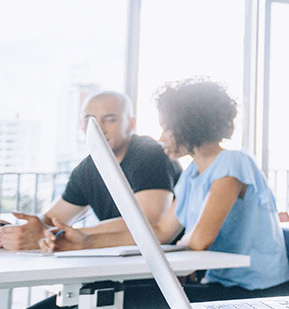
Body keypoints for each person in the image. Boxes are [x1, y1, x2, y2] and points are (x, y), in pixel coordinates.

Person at [43, 78, 289, 309]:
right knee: (109, 299)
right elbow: (161, 231)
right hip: (220, 285)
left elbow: (200, 240)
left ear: (189, 125)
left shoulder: (233, 162)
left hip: (254, 292)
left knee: (119, 303)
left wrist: (173, 246)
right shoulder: (192, 174)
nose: (161, 137)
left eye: (165, 128)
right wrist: (85, 241)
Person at [0, 90, 179, 251]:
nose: (99, 128)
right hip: (123, 261)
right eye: (90, 120)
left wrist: (67, 234)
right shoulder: (87, 169)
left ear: (131, 123)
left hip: (172, 263)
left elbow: (149, 220)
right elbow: (52, 219)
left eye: (110, 119)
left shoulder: (149, 154)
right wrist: (18, 230)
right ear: (82, 125)